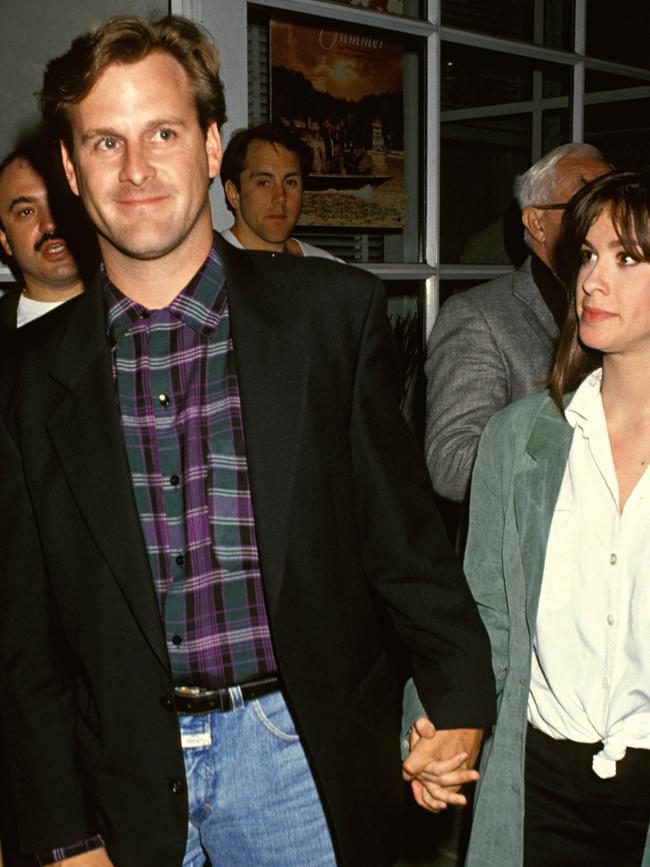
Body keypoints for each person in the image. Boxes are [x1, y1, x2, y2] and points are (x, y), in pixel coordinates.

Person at [0, 15, 495, 867]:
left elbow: (402, 537)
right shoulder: (22, 375)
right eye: (105, 143)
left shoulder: (329, 315)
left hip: (298, 758)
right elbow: (21, 639)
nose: (138, 168)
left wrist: (458, 694)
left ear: (209, 144)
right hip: (116, 775)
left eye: (162, 132)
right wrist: (59, 830)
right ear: (73, 172)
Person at [405, 168, 650, 866]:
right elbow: (484, 613)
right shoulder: (519, 438)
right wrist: (433, 723)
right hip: (539, 781)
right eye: (589, 255)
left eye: (627, 257)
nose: (592, 281)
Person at [425, 143, 610, 505]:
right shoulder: (479, 316)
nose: (605, 218)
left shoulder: (628, 307)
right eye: (587, 203)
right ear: (536, 223)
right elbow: (451, 465)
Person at [0, 136, 92, 329]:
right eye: (26, 212)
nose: (50, 225)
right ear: (4, 240)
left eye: (59, 202)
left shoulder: (138, 314)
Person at [220, 123, 342, 259]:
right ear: (233, 193)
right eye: (264, 183)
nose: (281, 197)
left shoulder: (326, 269)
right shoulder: (209, 270)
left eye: (290, 182)